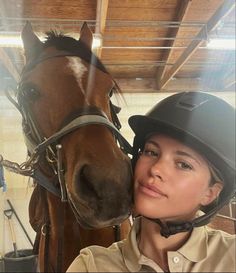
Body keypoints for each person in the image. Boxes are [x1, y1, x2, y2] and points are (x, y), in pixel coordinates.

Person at [67, 91, 235, 272]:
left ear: (210, 193)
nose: (155, 169)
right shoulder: (91, 266)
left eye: (184, 164)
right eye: (151, 152)